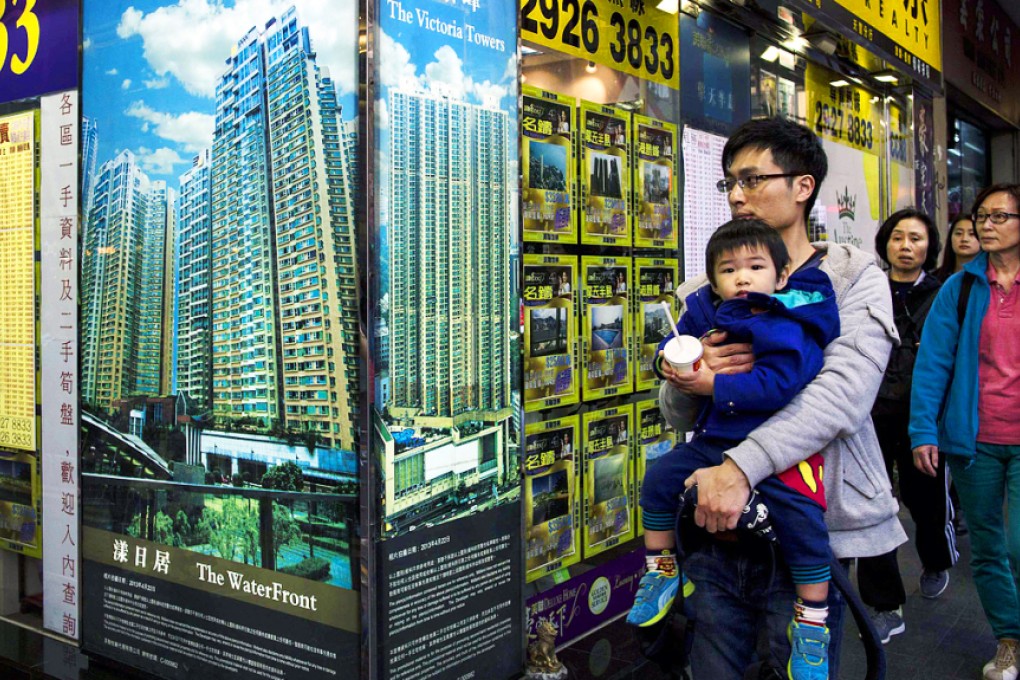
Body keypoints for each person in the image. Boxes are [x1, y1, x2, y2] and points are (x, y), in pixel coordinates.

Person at [656, 117, 905, 679]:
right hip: (716, 524)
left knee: (798, 665)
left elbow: (841, 396)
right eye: (729, 183)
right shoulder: (705, 289)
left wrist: (741, 466)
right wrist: (689, 376)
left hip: (811, 524)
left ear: (802, 186)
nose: (737, 195)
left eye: (752, 179)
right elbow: (673, 412)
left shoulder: (851, 276)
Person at [628, 220, 839, 680]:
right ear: (714, 280)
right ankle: (661, 570)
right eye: (728, 269)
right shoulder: (707, 311)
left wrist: (714, 384)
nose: (742, 276)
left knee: (803, 524)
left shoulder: (789, 322)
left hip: (779, 450)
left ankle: (812, 621)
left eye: (755, 266)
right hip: (714, 442)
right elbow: (674, 343)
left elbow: (782, 385)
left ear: (782, 276)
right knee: (659, 478)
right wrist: (670, 359)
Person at [911, 183, 1020, 680]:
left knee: (1019, 543)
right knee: (991, 547)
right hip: (973, 439)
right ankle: (1008, 640)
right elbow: (932, 364)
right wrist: (922, 431)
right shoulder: (960, 290)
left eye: (1000, 216)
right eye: (982, 216)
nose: (987, 224)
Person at [857, 209, 955, 643]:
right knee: (873, 507)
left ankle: (936, 560)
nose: (905, 246)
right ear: (885, 244)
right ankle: (885, 604)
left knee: (926, 500)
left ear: (930, 248)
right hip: (871, 412)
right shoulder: (868, 289)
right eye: (897, 237)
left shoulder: (945, 293)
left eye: (916, 238)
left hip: (922, 416)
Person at [934, 214, 980, 281]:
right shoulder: (935, 279)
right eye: (958, 233)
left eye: (972, 234)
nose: (964, 239)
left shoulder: (989, 278)